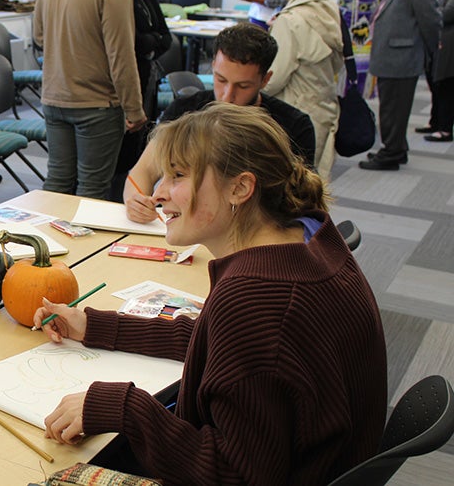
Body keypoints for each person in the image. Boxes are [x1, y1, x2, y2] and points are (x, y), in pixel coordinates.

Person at [36, 105, 387, 485]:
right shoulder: (307, 238)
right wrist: (94, 325)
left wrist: (125, 408)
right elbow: (214, 345)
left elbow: (234, 474)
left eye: (178, 176)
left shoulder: (256, 301)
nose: (157, 194)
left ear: (240, 188)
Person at [124, 23, 316, 222]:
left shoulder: (293, 126)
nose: (227, 96)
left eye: (243, 86)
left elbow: (300, 204)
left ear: (265, 80)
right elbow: (144, 170)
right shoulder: (184, 110)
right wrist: (136, 202)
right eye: (221, 79)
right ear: (213, 64)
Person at [34, 0, 146, 199]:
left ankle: (42, 241)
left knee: (57, 184)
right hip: (97, 105)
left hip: (54, 99)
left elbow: (38, 36)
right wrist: (134, 110)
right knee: (92, 191)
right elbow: (121, 55)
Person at [360, 0, 440, 171]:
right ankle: (396, 147)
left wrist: (431, 51)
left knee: (395, 107)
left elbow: (429, 18)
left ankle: (392, 152)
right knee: (391, 105)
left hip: (402, 54)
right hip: (394, 53)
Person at [266, 0, 343, 179]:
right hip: (323, 110)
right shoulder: (330, 11)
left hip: (294, 115)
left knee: (290, 188)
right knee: (313, 184)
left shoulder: (291, 20)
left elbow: (272, 80)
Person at [110, 0, 171, 201]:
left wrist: (150, 40)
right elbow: (130, 44)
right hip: (123, 85)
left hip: (146, 80)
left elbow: (165, 38)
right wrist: (149, 40)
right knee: (120, 157)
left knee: (139, 146)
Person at [423, 0, 454, 143]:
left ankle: (445, 129)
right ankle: (436, 123)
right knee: (438, 86)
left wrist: (430, 13)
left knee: (446, 88)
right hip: (443, 44)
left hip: (449, 48)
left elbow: (448, 13)